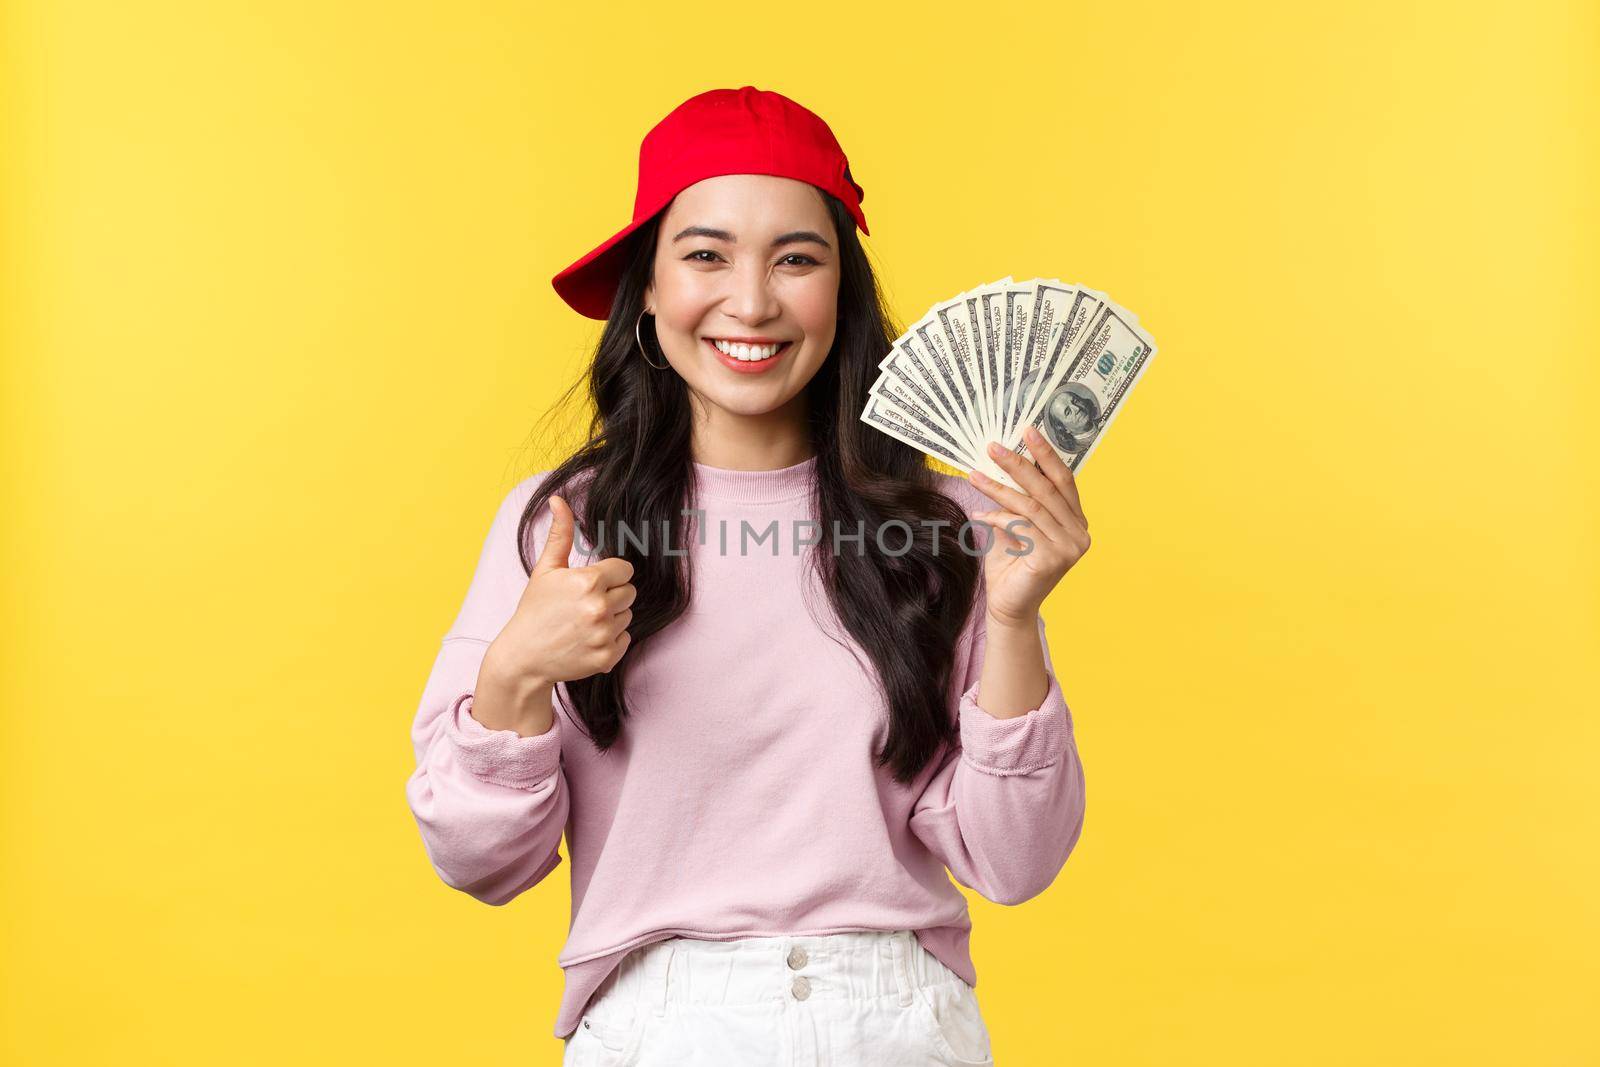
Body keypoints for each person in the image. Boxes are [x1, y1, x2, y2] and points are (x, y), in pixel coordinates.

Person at [405, 86, 1091, 1067]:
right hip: (657, 1023)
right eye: (706, 254)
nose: (753, 300)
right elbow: (479, 863)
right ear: (647, 287)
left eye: (796, 258)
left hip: (895, 1017)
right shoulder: (562, 525)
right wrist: (515, 672)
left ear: (841, 293)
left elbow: (1013, 860)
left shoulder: (949, 522)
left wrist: (1015, 619)